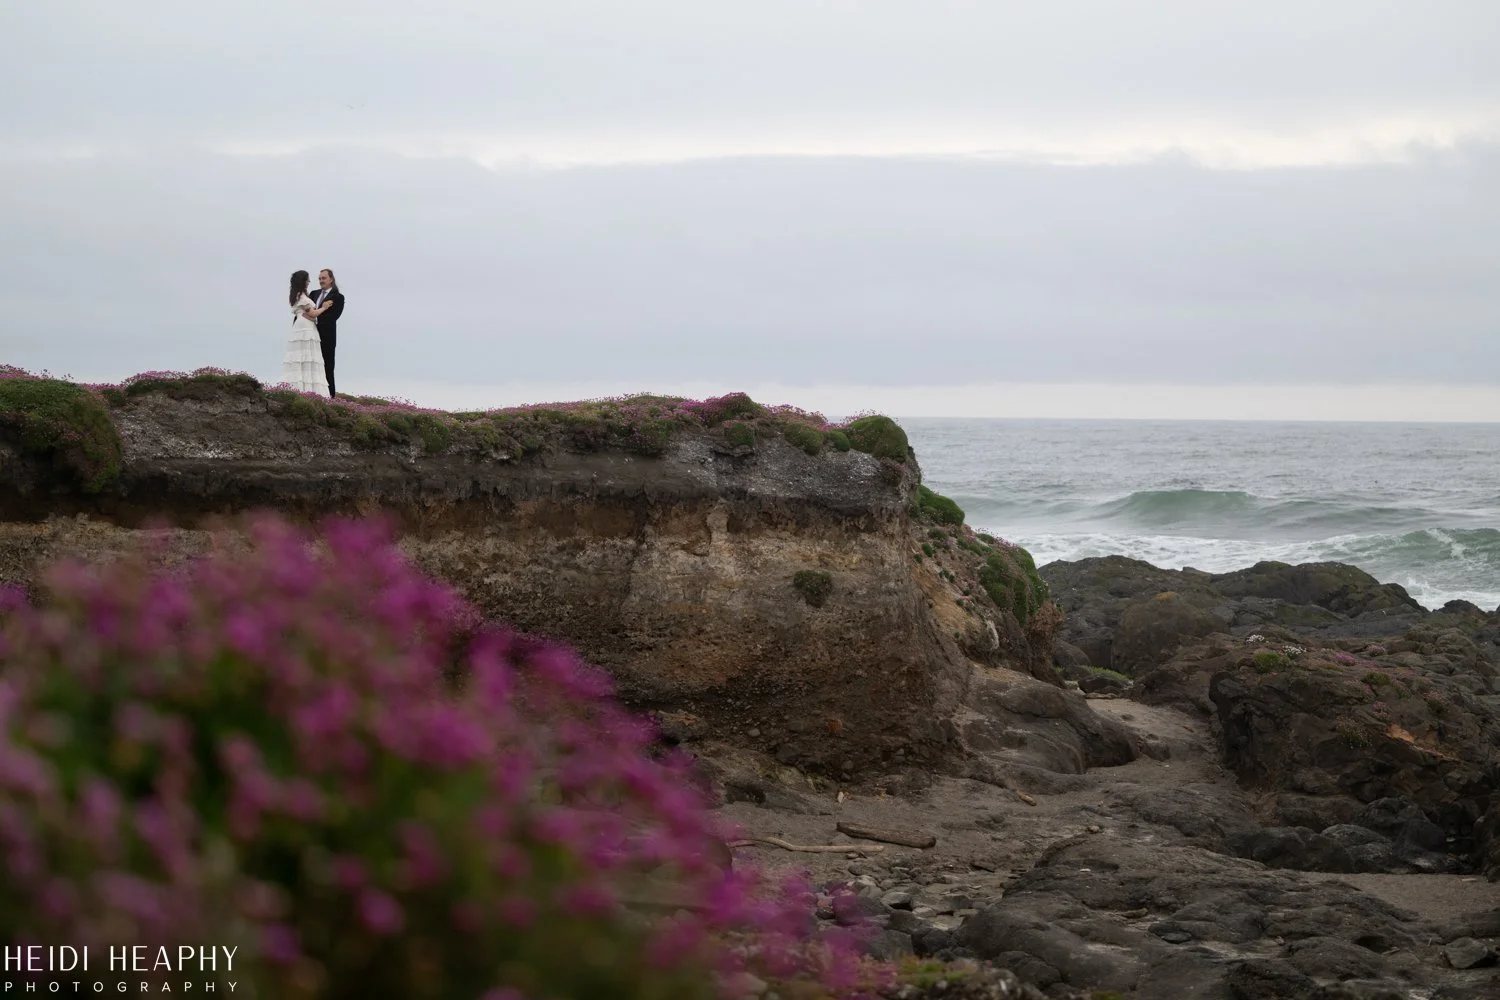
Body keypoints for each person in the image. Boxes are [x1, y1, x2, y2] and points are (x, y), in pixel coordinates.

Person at [282, 270, 330, 394]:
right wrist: (324, 307)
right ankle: (308, 390)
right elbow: (312, 313)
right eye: (307, 279)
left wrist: (311, 315)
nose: (309, 282)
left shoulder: (296, 295)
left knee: (303, 357)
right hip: (305, 327)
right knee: (307, 356)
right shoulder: (301, 296)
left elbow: (307, 314)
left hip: (302, 324)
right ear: (302, 281)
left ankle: (304, 389)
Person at [311, 268, 345, 398]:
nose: (321, 281)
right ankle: (312, 393)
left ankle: (330, 396)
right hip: (310, 334)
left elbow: (333, 317)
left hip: (327, 336)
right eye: (319, 278)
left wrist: (315, 317)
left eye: (324, 278)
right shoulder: (313, 293)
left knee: (327, 366)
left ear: (331, 279)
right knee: (311, 364)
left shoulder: (338, 297)